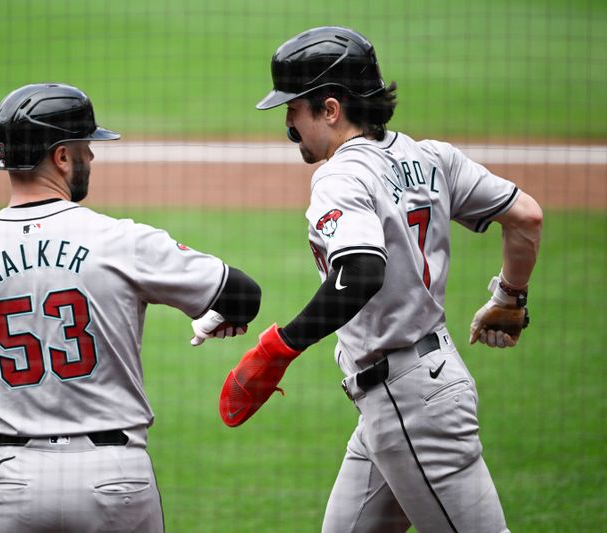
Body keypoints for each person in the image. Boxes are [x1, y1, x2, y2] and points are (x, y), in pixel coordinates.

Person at [217, 26, 543, 532]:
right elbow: (525, 215)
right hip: (407, 393)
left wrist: (278, 348)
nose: (287, 126)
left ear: (330, 108)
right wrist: (509, 296)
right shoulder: (430, 156)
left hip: (410, 404)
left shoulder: (340, 175)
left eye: (293, 109)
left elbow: (361, 271)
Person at [0, 83, 261, 532]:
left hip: (14, 483)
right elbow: (243, 294)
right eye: (85, 148)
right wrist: (218, 315)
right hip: (114, 478)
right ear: (61, 156)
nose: (92, 158)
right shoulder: (122, 242)